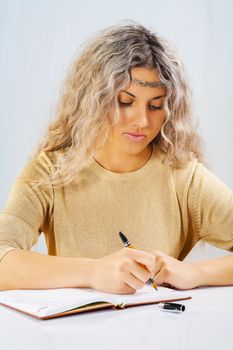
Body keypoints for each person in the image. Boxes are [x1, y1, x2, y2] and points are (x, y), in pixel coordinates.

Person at [0, 21, 232, 294]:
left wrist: (196, 272)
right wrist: (94, 272)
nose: (142, 121)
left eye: (156, 105)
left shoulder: (184, 177)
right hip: (69, 334)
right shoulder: (50, 171)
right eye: (125, 102)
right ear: (93, 99)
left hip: (158, 333)